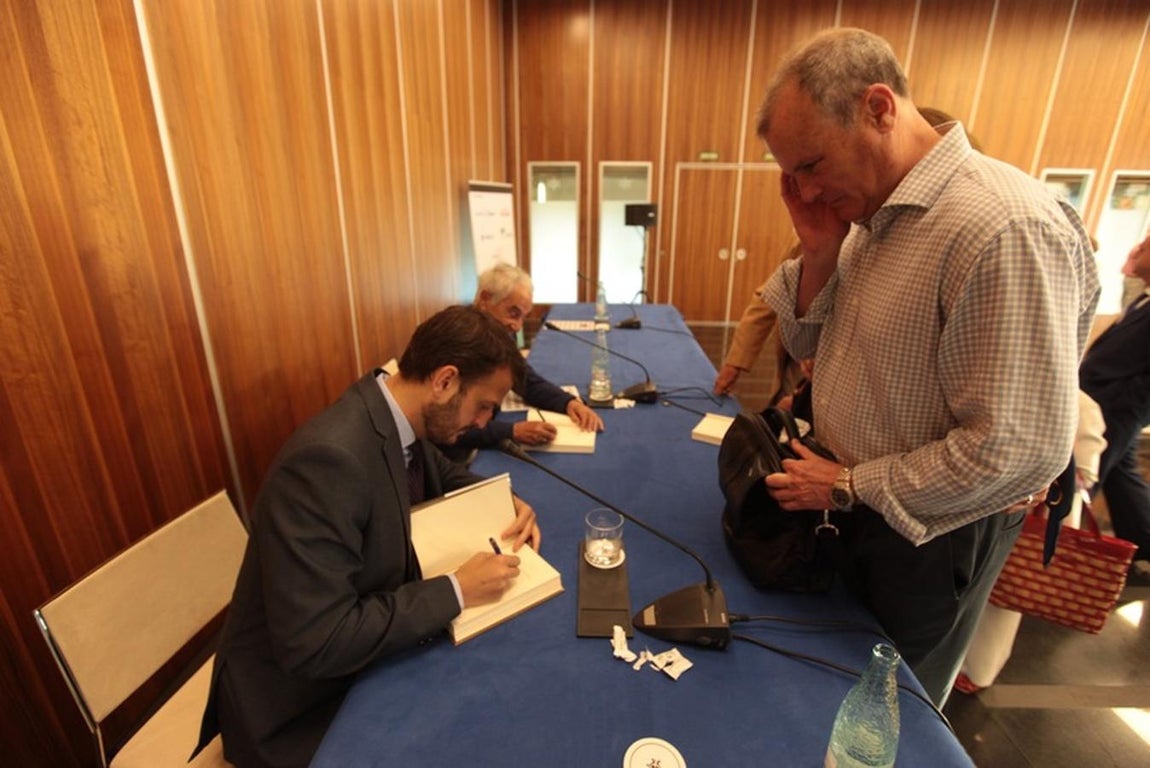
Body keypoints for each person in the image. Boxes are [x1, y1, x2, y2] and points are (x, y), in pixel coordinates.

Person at [756, 28, 1099, 705]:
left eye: (813, 165)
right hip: (856, 500)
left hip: (930, 533)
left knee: (883, 709)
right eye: (791, 173)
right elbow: (805, 347)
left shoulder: (1000, 225)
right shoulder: (868, 218)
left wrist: (851, 483)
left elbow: (1019, 450)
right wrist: (819, 251)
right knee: (829, 684)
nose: (806, 190)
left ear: (880, 108)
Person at [193, 305, 542, 768]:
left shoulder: (397, 416)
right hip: (298, 709)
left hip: (356, 660)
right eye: (484, 406)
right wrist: (457, 590)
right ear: (444, 380)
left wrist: (508, 501)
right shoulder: (327, 463)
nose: (483, 425)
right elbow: (316, 641)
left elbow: (441, 473)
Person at [956, 390, 1108, 693]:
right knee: (979, 592)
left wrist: (1036, 474)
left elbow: (1084, 474)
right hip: (1004, 510)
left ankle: (979, 671)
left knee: (1006, 598)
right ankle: (963, 660)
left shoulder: (1081, 403)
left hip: (1038, 519)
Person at [447, 263, 603, 455]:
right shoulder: (456, 342)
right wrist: (511, 431)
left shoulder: (498, 334)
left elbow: (525, 379)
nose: (518, 326)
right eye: (513, 313)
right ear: (485, 299)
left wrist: (569, 403)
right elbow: (447, 427)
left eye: (523, 317)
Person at [1080, 232, 1150, 582]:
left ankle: (1061, 558)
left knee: (1083, 479)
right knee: (1122, 476)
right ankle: (1146, 549)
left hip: (1115, 408)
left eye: (1144, 246)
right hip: (1106, 403)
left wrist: (1123, 402)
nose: (1135, 249)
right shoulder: (1142, 298)